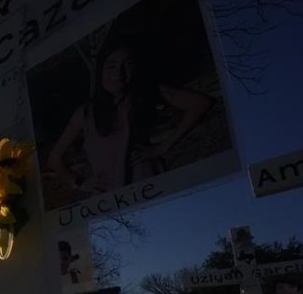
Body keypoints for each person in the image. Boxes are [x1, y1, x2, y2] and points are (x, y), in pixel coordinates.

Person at [46, 36, 214, 195]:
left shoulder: (146, 93)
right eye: (111, 65)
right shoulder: (86, 112)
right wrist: (79, 182)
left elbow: (200, 103)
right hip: (109, 196)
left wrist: (163, 146)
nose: (119, 74)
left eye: (127, 65)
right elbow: (55, 158)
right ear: (101, 70)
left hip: (148, 186)